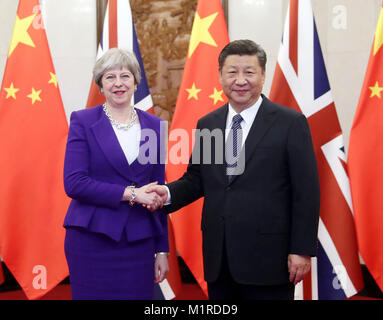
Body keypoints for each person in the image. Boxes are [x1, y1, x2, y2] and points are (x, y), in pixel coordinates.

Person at [147, 40, 320, 300]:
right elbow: (197, 180)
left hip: (269, 258)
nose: (240, 80)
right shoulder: (209, 123)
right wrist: (166, 194)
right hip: (220, 258)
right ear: (220, 76)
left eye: (249, 72)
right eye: (232, 72)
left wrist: (301, 249)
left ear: (263, 75)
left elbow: (306, 192)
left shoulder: (289, 123)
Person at [63, 48, 169, 300]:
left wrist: (162, 250)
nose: (118, 83)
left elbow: (159, 191)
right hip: (91, 239)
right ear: (100, 84)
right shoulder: (83, 121)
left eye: (125, 76)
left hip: (139, 242)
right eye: (110, 77)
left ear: (135, 82)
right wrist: (131, 193)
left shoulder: (156, 126)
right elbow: (74, 183)